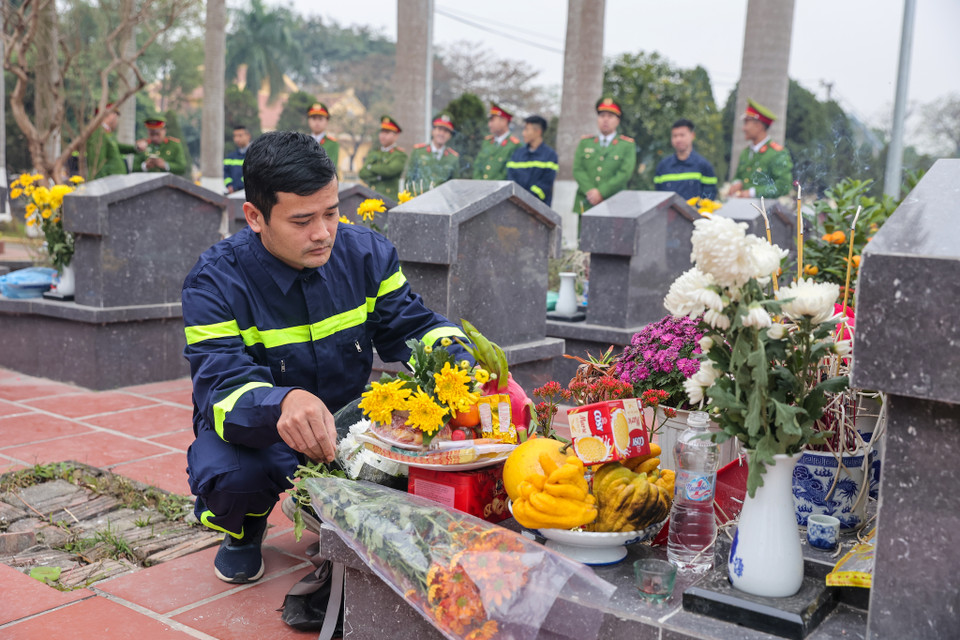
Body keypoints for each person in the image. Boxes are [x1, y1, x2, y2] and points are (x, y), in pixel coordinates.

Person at [181, 131, 470, 584]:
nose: (322, 234)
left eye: (331, 213)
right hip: (259, 429)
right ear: (255, 216)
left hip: (348, 427)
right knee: (233, 474)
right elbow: (221, 386)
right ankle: (244, 525)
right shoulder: (215, 281)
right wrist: (282, 404)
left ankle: (335, 510)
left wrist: (458, 357)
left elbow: (412, 326)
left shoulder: (366, 255)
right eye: (301, 221)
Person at [572, 97, 637, 215]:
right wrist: (591, 191)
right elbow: (578, 169)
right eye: (602, 116)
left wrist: (601, 192)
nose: (605, 120)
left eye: (610, 116)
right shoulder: (585, 142)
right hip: (587, 202)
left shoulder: (627, 145)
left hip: (614, 202)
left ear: (618, 121)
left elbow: (624, 173)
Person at [728, 99, 794, 199]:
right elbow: (739, 176)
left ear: (758, 126)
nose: (743, 128)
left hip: (764, 211)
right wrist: (738, 183)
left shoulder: (777, 153)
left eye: (746, 123)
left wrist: (753, 192)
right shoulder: (745, 153)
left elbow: (783, 187)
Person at [653, 119, 717, 200]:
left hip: (694, 212)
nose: (678, 139)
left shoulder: (704, 166)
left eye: (682, 135)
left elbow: (709, 196)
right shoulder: (662, 167)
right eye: (675, 136)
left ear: (692, 135)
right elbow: (658, 196)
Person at [506, 115, 558, 206]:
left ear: (538, 132)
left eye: (526, 129)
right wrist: (516, 197)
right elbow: (511, 177)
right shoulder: (517, 154)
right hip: (515, 206)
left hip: (539, 209)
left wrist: (526, 199)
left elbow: (545, 184)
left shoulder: (550, 155)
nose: (523, 133)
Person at [404, 114, 460, 193]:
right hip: (419, 199)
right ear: (432, 131)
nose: (442, 133)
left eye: (446, 131)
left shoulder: (453, 157)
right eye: (439, 129)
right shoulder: (418, 151)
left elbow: (454, 186)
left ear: (450, 136)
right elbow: (409, 179)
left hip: (441, 201)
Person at [358, 116, 407, 201]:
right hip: (371, 197)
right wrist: (378, 176)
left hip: (389, 199)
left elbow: (389, 170)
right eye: (382, 132)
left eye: (387, 133)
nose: (383, 136)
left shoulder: (399, 154)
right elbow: (362, 173)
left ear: (395, 136)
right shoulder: (374, 153)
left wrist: (371, 168)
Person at [86, 103, 136, 179]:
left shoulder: (106, 133)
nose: (117, 121)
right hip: (107, 182)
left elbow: (117, 147)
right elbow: (97, 162)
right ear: (111, 116)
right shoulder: (98, 132)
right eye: (116, 116)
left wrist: (136, 148)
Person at [472, 102, 521, 180]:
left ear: (504, 121)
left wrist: (492, 186)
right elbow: (478, 165)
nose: (489, 124)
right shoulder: (487, 142)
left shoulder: (514, 145)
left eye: (492, 120)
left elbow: (508, 172)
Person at [306, 102, 339, 173]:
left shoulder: (333, 144)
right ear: (308, 121)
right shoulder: (303, 142)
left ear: (327, 121)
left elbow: (330, 168)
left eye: (320, 119)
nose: (317, 122)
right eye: (314, 118)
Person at [224, 125, 251, 193]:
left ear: (248, 136)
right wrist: (229, 185)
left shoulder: (255, 155)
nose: (236, 139)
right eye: (235, 136)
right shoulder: (230, 157)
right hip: (234, 193)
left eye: (240, 136)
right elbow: (225, 173)